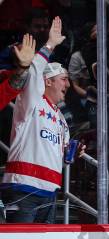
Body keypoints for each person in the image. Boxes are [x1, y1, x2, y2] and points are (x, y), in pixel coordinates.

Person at [1, 17, 69, 223]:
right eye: (64, 78)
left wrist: (72, 151)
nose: (68, 84)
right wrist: (49, 45)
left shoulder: (62, 120)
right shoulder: (32, 100)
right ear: (47, 81)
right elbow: (34, 71)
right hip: (23, 187)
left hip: (50, 191)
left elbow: (64, 156)